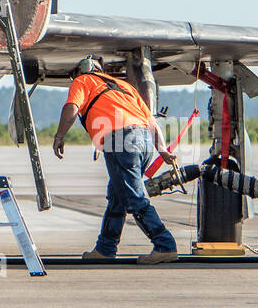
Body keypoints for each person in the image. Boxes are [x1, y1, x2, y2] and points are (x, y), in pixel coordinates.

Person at [51, 56, 179, 264]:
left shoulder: (82, 81)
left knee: (134, 197)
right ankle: (105, 248)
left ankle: (165, 245)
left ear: (81, 71)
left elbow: (71, 108)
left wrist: (59, 136)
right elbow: (151, 122)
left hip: (120, 140)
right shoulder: (124, 86)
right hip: (144, 140)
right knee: (118, 196)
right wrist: (162, 149)